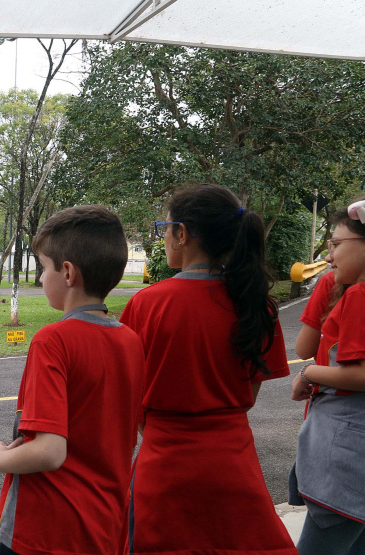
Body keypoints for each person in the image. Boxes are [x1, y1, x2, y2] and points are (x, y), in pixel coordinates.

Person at [120, 184, 296, 555]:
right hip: (233, 465)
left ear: (182, 234)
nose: (163, 236)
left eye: (163, 228)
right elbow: (247, 397)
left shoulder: (147, 304)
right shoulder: (256, 306)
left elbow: (130, 397)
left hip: (164, 466)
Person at [0, 205, 145, 555]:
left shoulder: (52, 340)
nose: (41, 279)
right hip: (105, 526)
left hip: (45, 532)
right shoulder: (131, 341)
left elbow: (50, 451)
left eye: (43, 268)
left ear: (67, 272)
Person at [290, 197, 365, 554]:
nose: (329, 257)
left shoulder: (360, 295)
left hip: (349, 457)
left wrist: (309, 374)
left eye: (336, 245)